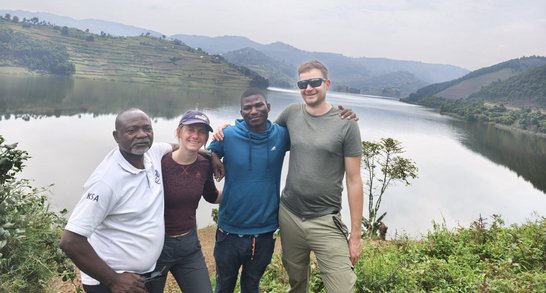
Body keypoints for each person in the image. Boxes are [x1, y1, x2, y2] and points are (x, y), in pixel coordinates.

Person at [59, 108, 175, 293]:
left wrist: (210, 155)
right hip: (110, 282)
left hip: (142, 276)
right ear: (116, 136)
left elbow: (176, 147)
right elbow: (70, 241)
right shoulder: (106, 181)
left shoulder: (152, 153)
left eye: (147, 129)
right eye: (132, 130)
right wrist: (112, 280)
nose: (142, 135)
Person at [277, 60, 363, 293]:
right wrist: (227, 129)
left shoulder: (346, 124)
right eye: (302, 83)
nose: (308, 88)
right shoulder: (291, 113)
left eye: (314, 82)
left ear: (326, 83)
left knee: (342, 288)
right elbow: (262, 137)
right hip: (290, 216)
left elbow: (354, 180)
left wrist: (355, 236)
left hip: (326, 220)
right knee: (296, 283)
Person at [208, 88, 290, 293]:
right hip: (229, 231)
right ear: (241, 112)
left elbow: (311, 134)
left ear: (268, 107)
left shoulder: (282, 135)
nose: (253, 111)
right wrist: (213, 155)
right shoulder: (227, 135)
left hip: (264, 233)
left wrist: (340, 116)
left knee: (251, 286)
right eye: (248, 108)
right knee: (223, 286)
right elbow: (204, 152)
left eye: (259, 105)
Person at [148, 110, 221, 293]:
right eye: (190, 129)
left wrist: (240, 191)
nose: (195, 135)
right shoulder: (158, 162)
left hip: (188, 247)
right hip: (155, 247)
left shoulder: (205, 165)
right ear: (179, 131)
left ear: (206, 137)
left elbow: (211, 195)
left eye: (201, 131)